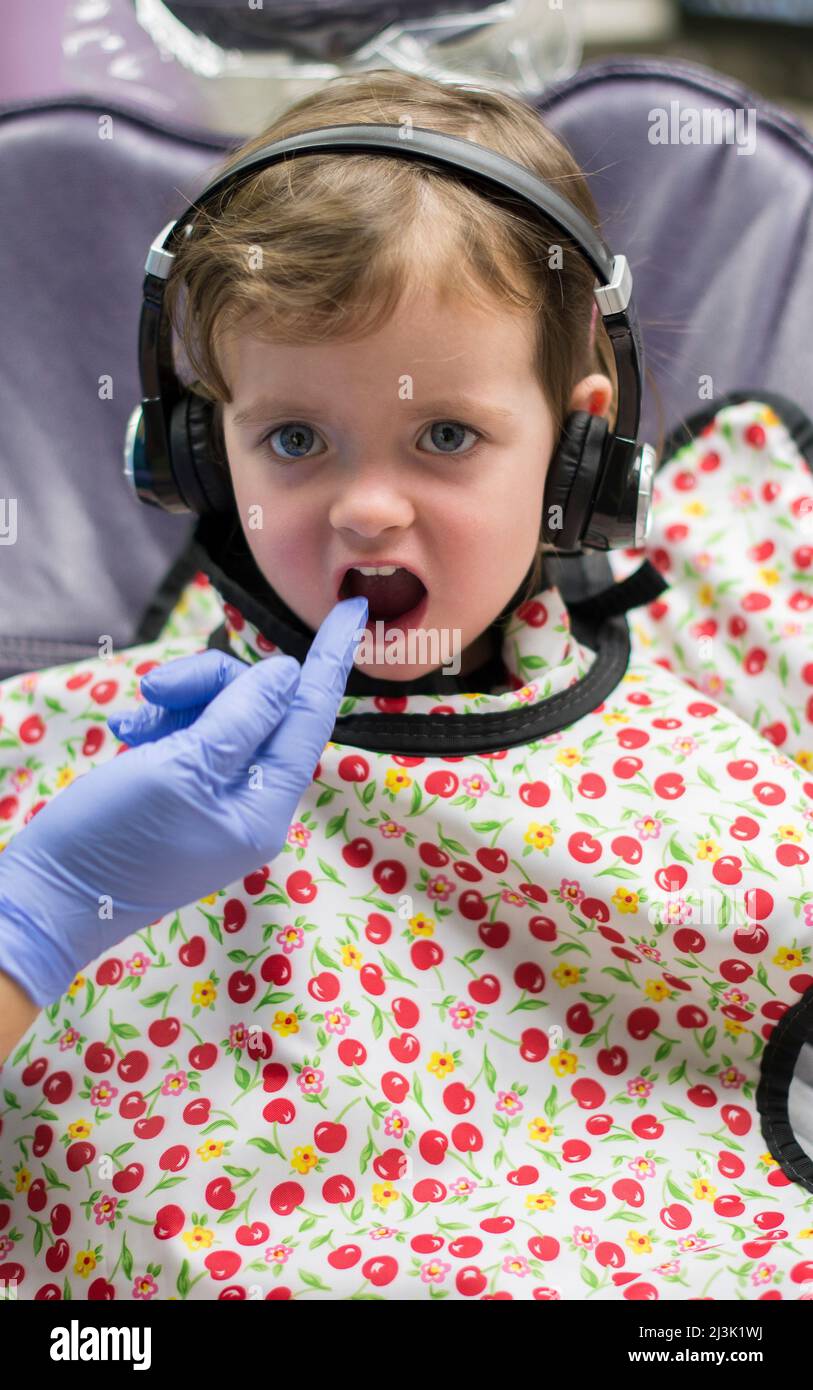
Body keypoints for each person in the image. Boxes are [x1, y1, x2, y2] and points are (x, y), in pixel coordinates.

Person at [0, 69, 812, 1303]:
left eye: (445, 437)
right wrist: (41, 919)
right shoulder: (61, 776)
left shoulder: (717, 719)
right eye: (292, 439)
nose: (368, 509)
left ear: (579, 451)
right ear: (194, 453)